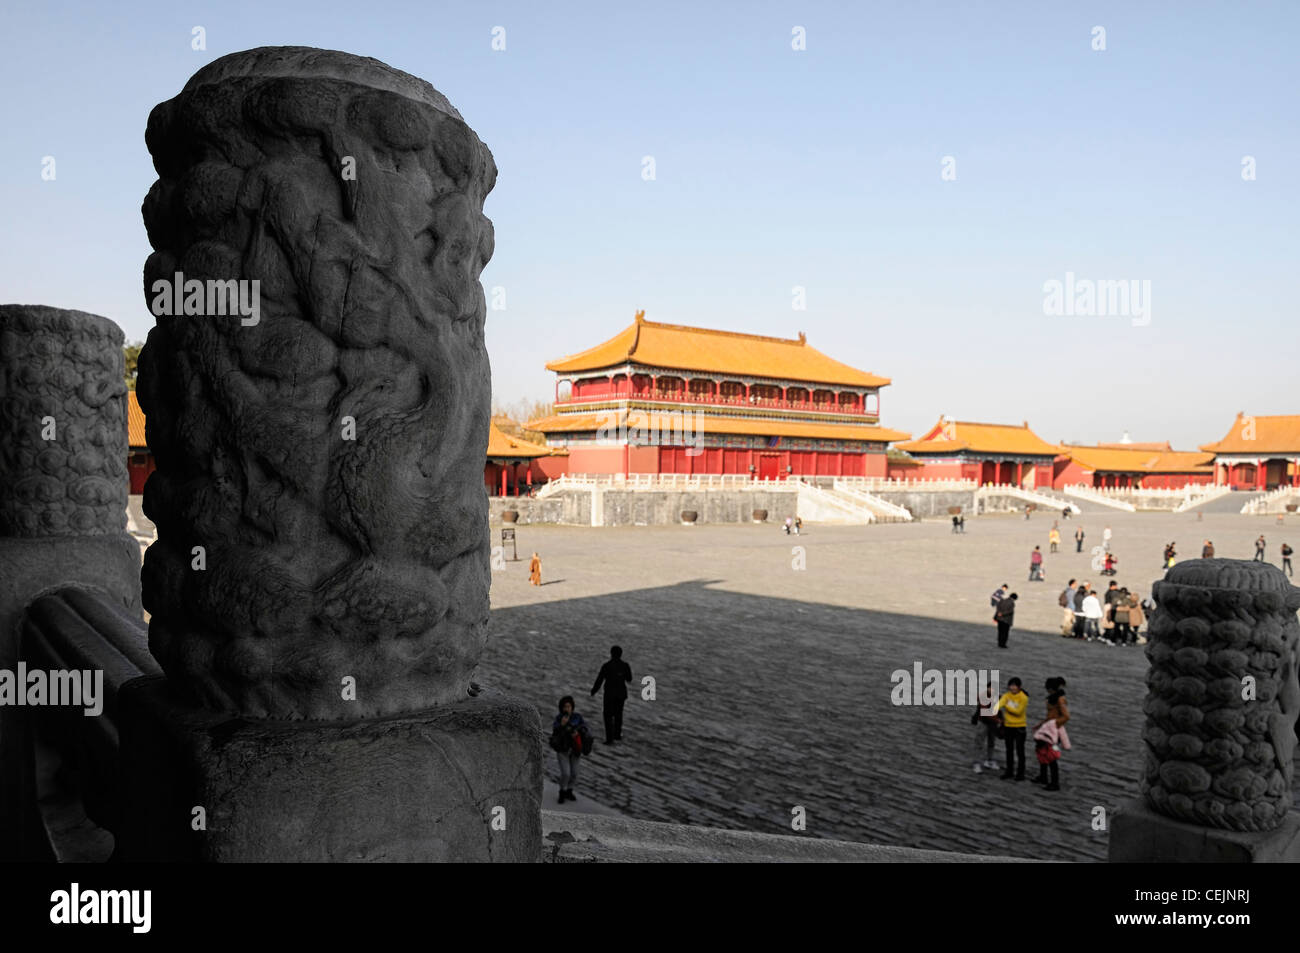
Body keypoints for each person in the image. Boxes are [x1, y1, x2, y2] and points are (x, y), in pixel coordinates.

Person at [548, 696, 590, 804]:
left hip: (575, 750)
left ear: (572, 707)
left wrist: (578, 733)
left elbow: (585, 728)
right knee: (566, 773)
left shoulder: (577, 717)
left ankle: (569, 790)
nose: (567, 709)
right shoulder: (559, 719)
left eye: (569, 706)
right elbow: (555, 734)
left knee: (574, 773)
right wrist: (562, 725)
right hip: (563, 750)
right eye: (565, 707)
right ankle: (562, 791)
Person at [1032, 677, 1071, 791]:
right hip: (1047, 728)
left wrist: (1054, 724)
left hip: (1053, 731)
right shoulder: (1054, 698)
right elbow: (1050, 715)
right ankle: (1043, 776)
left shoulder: (1060, 699)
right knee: (1041, 750)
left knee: (1051, 756)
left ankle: (1055, 782)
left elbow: (1066, 716)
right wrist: (1041, 724)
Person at [590, 645, 633, 744]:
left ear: (611, 654)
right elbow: (629, 679)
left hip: (609, 694)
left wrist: (594, 690)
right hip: (621, 694)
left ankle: (610, 738)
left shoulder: (607, 666)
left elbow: (600, 679)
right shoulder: (625, 665)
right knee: (618, 714)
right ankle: (617, 734)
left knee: (608, 715)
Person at [996, 678, 1030, 781]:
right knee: (1009, 750)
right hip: (1008, 727)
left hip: (1019, 727)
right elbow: (998, 705)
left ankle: (1020, 773)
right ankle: (1009, 771)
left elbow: (1018, 711)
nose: (1012, 687)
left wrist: (1006, 706)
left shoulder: (1023, 698)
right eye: (1011, 685)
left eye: (1015, 685)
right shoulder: (1006, 696)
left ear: (1019, 687)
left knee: (1020, 751)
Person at [970, 681, 999, 773]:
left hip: (993, 724)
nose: (992, 690)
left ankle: (989, 760)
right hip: (984, 723)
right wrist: (999, 721)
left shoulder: (996, 697)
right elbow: (985, 712)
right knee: (979, 743)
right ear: (987, 688)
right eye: (990, 688)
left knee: (991, 743)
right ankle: (976, 763)